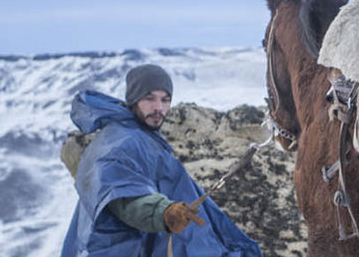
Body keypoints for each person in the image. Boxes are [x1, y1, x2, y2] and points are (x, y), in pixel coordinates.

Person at [60, 65, 261, 256]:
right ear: (133, 100)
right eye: (150, 99)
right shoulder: (120, 143)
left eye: (165, 100)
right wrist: (164, 212)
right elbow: (124, 199)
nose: (159, 108)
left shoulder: (140, 134)